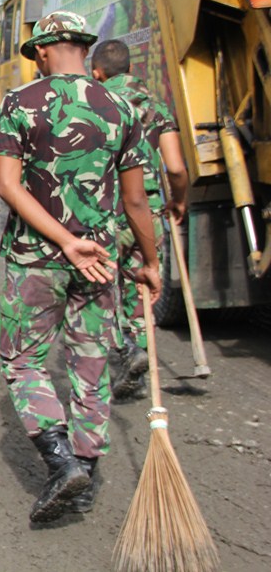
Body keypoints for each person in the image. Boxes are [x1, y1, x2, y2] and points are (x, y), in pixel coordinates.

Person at [0, 12, 160, 523]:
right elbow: (135, 200)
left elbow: (7, 186)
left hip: (36, 259)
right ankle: (85, 471)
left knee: (22, 361)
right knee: (90, 364)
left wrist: (64, 241)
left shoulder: (20, 103)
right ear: (84, 48)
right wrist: (149, 262)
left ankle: (62, 463)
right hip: (101, 261)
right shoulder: (122, 108)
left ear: (43, 51)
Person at [91, 39, 188, 399]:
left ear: (97, 72)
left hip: (107, 210)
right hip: (146, 210)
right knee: (141, 288)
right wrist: (178, 201)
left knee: (102, 289)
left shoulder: (97, 105)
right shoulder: (156, 108)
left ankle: (125, 350)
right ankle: (138, 353)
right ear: (130, 69)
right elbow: (175, 168)